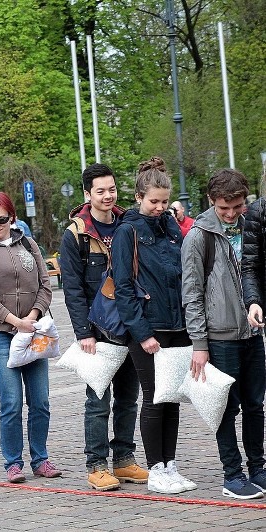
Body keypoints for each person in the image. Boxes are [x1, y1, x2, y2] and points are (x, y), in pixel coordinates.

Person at [59, 163, 148, 491]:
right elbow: (72, 288)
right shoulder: (76, 235)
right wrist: (83, 333)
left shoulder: (129, 224)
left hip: (130, 327)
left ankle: (124, 460)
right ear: (88, 194)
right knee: (97, 400)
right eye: (101, 191)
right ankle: (96, 465)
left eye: (111, 189)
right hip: (98, 331)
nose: (108, 196)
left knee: (129, 398)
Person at [112, 156, 193, 495]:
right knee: (154, 397)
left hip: (177, 324)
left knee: (172, 397)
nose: (160, 208)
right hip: (148, 327)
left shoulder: (171, 227)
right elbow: (124, 288)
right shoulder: (127, 231)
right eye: (154, 202)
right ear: (139, 197)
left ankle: (170, 464)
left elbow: (182, 272)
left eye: (164, 202)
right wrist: (142, 333)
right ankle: (155, 468)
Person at [185, 169, 265, 499]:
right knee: (225, 408)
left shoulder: (251, 226)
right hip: (219, 337)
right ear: (211, 202)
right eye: (224, 208)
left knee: (255, 405)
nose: (231, 214)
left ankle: (258, 467)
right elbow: (191, 293)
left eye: (237, 206)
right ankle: (231, 474)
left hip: (251, 333)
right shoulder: (199, 235)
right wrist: (200, 344)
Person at [0, 193, 58, 483]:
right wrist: (14, 321)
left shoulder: (29, 245)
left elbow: (46, 286)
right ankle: (13, 463)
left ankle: (40, 459)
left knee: (41, 400)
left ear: (13, 218)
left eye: (1, 220)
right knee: (11, 401)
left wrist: (32, 316)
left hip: (34, 332)